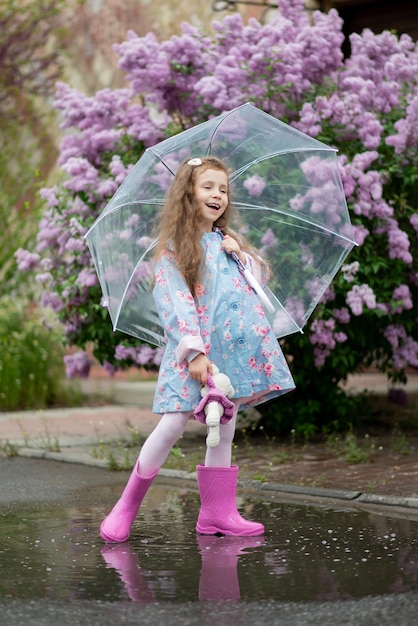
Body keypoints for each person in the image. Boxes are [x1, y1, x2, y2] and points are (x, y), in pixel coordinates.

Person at [100, 156, 295, 543]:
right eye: (208, 187)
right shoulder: (175, 248)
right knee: (172, 424)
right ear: (188, 193)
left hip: (232, 353)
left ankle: (217, 513)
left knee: (224, 423)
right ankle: (126, 505)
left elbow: (254, 289)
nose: (217, 195)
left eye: (223, 189)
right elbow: (175, 301)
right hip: (195, 356)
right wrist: (194, 352)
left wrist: (240, 253)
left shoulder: (227, 244)